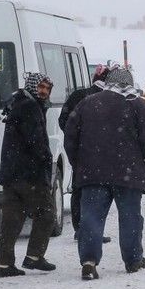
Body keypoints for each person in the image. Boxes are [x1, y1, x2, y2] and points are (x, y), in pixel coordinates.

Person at [65, 68, 145, 280]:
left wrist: (79, 163)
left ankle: (89, 260)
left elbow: (71, 136)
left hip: (93, 172)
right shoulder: (140, 106)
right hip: (129, 173)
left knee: (91, 217)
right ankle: (133, 259)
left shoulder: (88, 103)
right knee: (130, 218)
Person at [0, 72, 57, 278]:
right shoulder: (30, 107)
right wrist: (46, 160)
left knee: (11, 220)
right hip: (29, 174)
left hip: (12, 174)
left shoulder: (18, 103)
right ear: (32, 87)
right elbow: (35, 141)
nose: (44, 92)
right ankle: (34, 256)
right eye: (41, 87)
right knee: (47, 214)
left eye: (47, 89)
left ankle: (4, 264)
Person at [58, 64, 112, 244]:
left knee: (79, 190)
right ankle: (94, 229)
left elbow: (63, 121)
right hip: (104, 153)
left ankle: (80, 228)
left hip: (81, 153)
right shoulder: (109, 99)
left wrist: (75, 142)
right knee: (99, 192)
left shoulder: (77, 96)